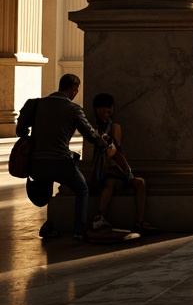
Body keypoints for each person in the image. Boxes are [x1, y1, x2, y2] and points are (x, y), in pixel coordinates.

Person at [15, 73, 115, 241]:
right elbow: (90, 135)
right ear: (74, 90)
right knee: (82, 189)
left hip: (37, 163)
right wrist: (105, 144)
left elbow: (20, 131)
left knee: (46, 190)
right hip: (61, 162)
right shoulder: (73, 109)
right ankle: (79, 231)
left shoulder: (35, 104)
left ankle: (50, 225)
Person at [91, 93, 158, 236]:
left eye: (109, 110)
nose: (107, 114)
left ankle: (138, 221)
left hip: (113, 170)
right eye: (104, 111)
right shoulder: (96, 128)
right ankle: (100, 216)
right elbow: (116, 151)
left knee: (134, 183)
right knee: (113, 182)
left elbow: (116, 150)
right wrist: (128, 172)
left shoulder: (111, 127)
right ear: (97, 110)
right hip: (107, 171)